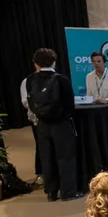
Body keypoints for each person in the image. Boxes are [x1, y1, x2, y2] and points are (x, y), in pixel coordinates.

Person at [26, 48, 80, 201]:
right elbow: (70, 105)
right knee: (65, 157)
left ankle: (51, 191)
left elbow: (31, 103)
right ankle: (68, 192)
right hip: (62, 124)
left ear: (35, 63)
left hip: (42, 125)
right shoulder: (62, 79)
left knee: (47, 157)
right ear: (54, 61)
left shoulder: (30, 80)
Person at [19, 65, 43, 186]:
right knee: (40, 145)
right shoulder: (28, 81)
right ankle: (40, 173)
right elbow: (25, 101)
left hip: (55, 119)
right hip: (37, 119)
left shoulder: (56, 79)